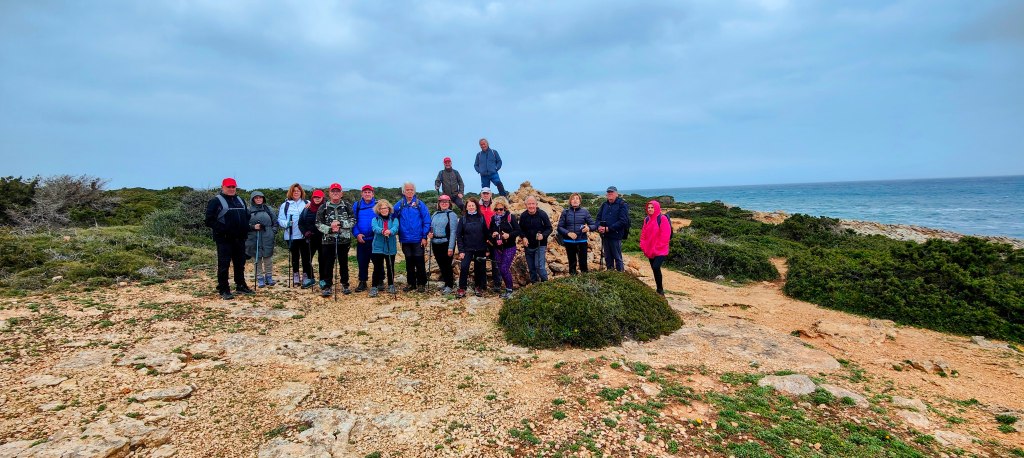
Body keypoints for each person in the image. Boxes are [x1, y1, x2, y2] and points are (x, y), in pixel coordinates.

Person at [204, 177, 253, 300]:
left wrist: (246, 228)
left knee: (240, 263)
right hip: (224, 239)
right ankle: (223, 289)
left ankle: (240, 285)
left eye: (233, 187)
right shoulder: (215, 201)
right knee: (224, 265)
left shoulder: (240, 200)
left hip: (240, 239)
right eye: (229, 187)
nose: (231, 189)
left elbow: (246, 217)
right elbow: (209, 220)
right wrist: (223, 229)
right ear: (223, 187)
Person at [316, 183, 355, 297]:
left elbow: (353, 220)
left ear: (341, 193)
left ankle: (345, 284)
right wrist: (330, 229)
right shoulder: (324, 207)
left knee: (343, 263)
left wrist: (341, 224)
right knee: (328, 264)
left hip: (344, 240)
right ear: (329, 193)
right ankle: (327, 286)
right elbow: (318, 223)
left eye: (338, 191)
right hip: (328, 240)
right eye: (333, 191)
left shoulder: (347, 205)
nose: (335, 193)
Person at [394, 182, 431, 292]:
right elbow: (392, 217)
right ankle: (411, 284)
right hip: (405, 239)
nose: (409, 191)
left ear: (414, 191)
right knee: (409, 262)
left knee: (419, 262)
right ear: (403, 191)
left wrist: (424, 236)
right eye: (407, 190)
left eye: (411, 189)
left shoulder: (420, 204)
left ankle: (421, 283)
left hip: (418, 238)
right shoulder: (399, 204)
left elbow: (427, 220)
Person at [455, 197, 489, 298]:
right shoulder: (463, 219)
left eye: (472, 205)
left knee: (479, 269)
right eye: (469, 206)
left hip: (480, 248)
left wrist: (487, 249)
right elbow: (459, 235)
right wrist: (461, 250)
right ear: (466, 207)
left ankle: (478, 287)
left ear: (476, 206)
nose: (471, 207)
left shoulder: (481, 217)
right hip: (467, 249)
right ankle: (462, 288)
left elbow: (486, 234)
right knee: (464, 267)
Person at [488, 197, 520, 298]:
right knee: (501, 269)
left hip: (509, 247)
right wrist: (492, 234)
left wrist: (509, 235)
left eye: (501, 209)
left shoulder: (511, 217)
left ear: (505, 208)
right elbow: (489, 232)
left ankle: (510, 291)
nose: (499, 211)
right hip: (497, 248)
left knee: (504, 268)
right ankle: (507, 290)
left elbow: (518, 231)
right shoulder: (493, 219)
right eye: (496, 209)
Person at [557, 193, 597, 275]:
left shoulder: (585, 212)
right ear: (570, 201)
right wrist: (568, 233)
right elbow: (559, 227)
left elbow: (594, 225)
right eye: (573, 199)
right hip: (569, 242)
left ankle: (585, 281)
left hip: (582, 241)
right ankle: (573, 282)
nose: (575, 200)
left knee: (583, 263)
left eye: (577, 198)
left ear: (580, 201)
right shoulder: (565, 212)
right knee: (572, 263)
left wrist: (588, 228)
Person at [245, 191, 278, 287]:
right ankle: (260, 278)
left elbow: (275, 222)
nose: (259, 199)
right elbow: (244, 224)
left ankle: (269, 277)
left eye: (260, 197)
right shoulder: (248, 210)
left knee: (268, 259)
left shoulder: (268, 209)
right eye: (256, 198)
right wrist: (253, 227)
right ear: (253, 199)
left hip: (267, 236)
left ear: (263, 199)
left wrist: (272, 232)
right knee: (257, 259)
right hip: (253, 237)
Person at [277, 183, 308, 287]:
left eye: (298, 191)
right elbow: (280, 219)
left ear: (301, 192)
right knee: (295, 257)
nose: (296, 192)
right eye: (294, 191)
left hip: (304, 236)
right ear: (291, 192)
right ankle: (295, 275)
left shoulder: (307, 203)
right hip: (291, 235)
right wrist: (286, 224)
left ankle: (305, 276)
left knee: (305, 257)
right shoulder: (285, 205)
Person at [640, 200, 672, 296]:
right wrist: (643, 245)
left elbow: (665, 236)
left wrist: (657, 247)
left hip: (660, 250)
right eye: (648, 208)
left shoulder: (662, 219)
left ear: (656, 208)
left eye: (652, 207)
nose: (650, 209)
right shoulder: (646, 220)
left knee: (656, 266)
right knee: (654, 269)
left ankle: (660, 290)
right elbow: (643, 234)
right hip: (650, 250)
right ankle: (658, 289)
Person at [429, 195, 460, 294]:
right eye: (442, 202)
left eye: (446, 202)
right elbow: (431, 227)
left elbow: (453, 232)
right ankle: (446, 283)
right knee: (441, 264)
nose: (444, 203)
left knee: (447, 265)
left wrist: (451, 247)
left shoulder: (452, 215)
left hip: (446, 243)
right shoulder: (435, 214)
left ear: (449, 203)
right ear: (439, 203)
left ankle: (449, 285)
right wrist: (430, 234)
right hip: (435, 243)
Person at [519, 196, 552, 283]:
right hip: (528, 245)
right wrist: (523, 237)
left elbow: (549, 228)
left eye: (533, 204)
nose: (531, 206)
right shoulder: (523, 216)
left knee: (539, 266)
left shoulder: (542, 214)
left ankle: (546, 284)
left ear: (536, 204)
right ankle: (535, 286)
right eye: (529, 204)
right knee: (531, 268)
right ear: (526, 205)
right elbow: (520, 229)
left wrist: (543, 235)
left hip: (540, 244)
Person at [596, 186, 630, 271]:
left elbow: (623, 221)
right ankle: (610, 276)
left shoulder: (622, 204)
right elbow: (598, 218)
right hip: (605, 235)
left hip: (616, 235)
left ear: (616, 194)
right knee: (608, 258)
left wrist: (608, 229)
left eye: (612, 192)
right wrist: (598, 226)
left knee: (617, 258)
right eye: (608, 192)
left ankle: (620, 277)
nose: (610, 194)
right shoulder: (604, 205)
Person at [370, 199, 399, 298]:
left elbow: (395, 228)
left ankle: (391, 285)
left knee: (390, 266)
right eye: (381, 208)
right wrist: (383, 231)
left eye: (386, 208)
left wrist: (390, 231)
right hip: (377, 247)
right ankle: (374, 287)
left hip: (390, 246)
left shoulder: (394, 219)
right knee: (377, 267)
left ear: (389, 208)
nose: (384, 210)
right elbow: (374, 228)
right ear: (378, 210)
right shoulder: (375, 219)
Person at [352, 184, 377, 293]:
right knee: (362, 261)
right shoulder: (356, 205)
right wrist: (357, 234)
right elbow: (353, 221)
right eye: (365, 192)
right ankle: (362, 281)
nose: (367, 194)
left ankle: (379, 280)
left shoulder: (378, 205)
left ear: (373, 194)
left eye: (369, 192)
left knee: (377, 261)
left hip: (376, 239)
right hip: (361, 239)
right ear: (362, 194)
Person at [297, 189, 324, 288]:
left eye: (319, 197)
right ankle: (310, 278)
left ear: (322, 198)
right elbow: (300, 223)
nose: (317, 199)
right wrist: (305, 232)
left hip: (323, 238)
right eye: (315, 197)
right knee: (306, 259)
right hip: (309, 238)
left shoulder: (325, 208)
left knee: (323, 259)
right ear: (312, 198)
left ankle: (323, 279)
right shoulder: (306, 209)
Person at [478, 187, 500, 291]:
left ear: (490, 194)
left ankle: (497, 285)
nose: (485, 195)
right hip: (481, 238)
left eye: (487, 193)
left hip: (494, 237)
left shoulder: (495, 206)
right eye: (484, 193)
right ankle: (482, 285)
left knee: (495, 262)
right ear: (481, 195)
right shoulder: (478, 206)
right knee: (481, 262)